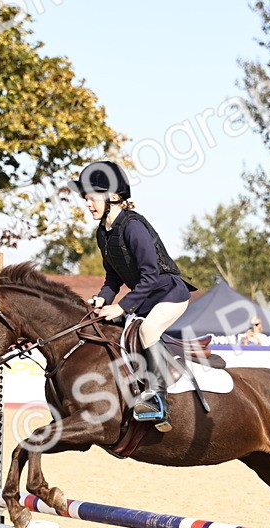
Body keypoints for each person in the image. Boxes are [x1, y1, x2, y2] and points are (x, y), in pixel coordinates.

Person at [69, 160, 194, 432]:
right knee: (103, 328)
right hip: (146, 297)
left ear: (113, 197)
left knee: (148, 331)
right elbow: (113, 278)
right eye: (86, 199)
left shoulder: (133, 226)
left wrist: (122, 307)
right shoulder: (103, 232)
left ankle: (158, 400)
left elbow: (150, 275)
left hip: (170, 293)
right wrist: (103, 298)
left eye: (92, 198)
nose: (88, 204)